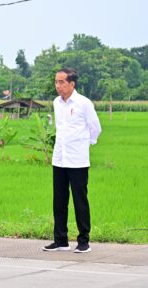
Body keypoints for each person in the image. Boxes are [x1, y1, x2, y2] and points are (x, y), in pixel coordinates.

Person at [43, 68, 101, 253]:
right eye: (56, 82)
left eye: (61, 82)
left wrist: (84, 144)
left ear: (71, 84)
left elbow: (95, 128)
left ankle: (83, 241)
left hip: (77, 160)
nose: (57, 86)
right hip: (59, 158)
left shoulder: (84, 103)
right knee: (59, 201)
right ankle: (60, 240)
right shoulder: (56, 103)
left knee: (80, 201)